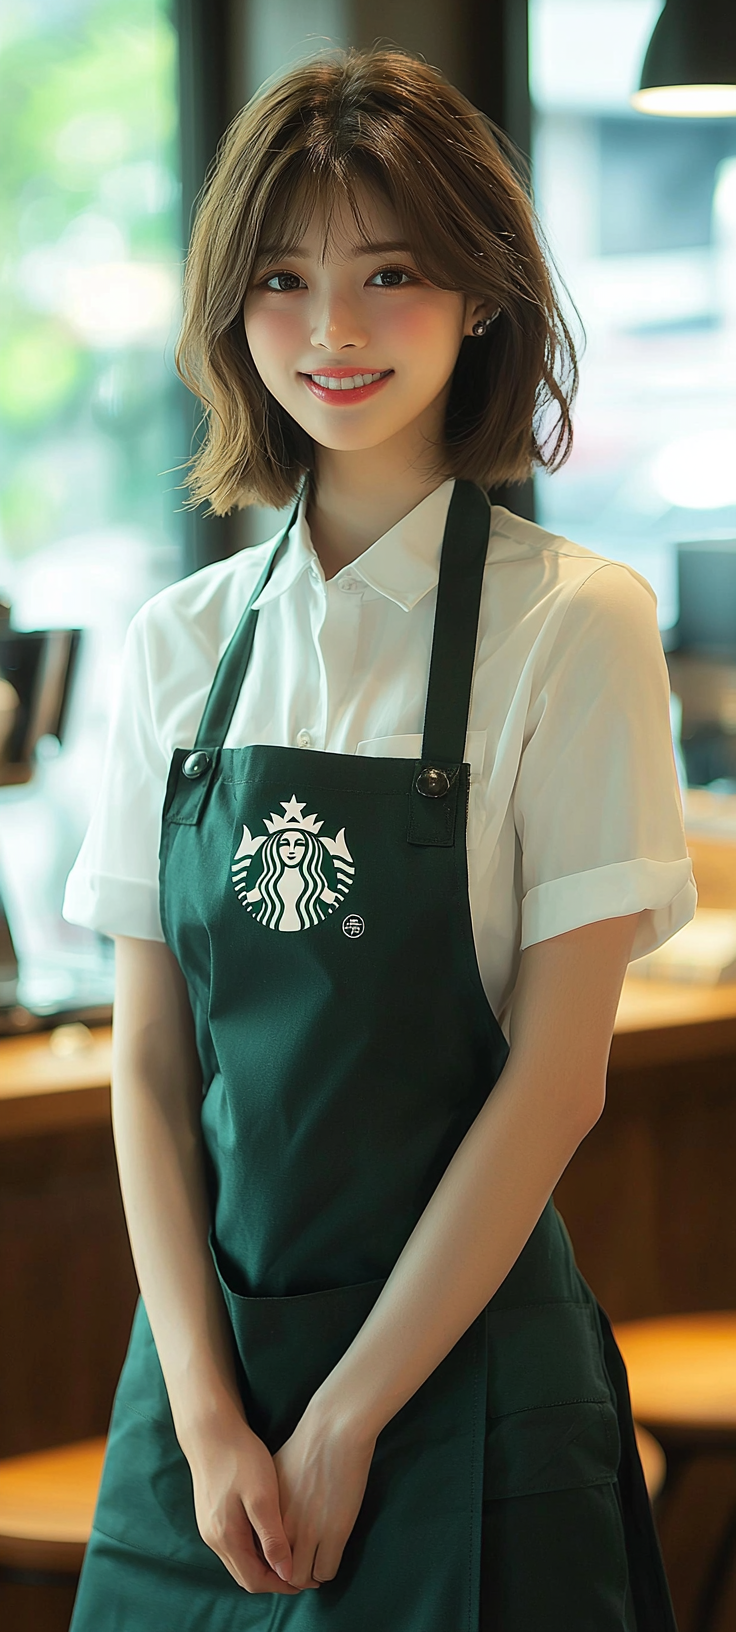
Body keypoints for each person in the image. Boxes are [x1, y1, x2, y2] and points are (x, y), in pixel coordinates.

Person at [62, 45, 696, 1631]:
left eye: (389, 273)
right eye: (281, 279)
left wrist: (349, 1418)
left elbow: (560, 1080)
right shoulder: (174, 644)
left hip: (462, 1384)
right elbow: (149, 1067)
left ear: (479, 294)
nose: (331, 332)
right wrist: (209, 1421)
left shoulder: (576, 626)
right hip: (198, 1410)